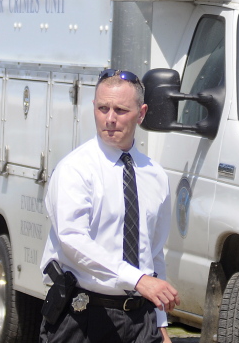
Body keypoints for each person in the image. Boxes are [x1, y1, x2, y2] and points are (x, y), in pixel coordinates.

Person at [40, 69, 180, 343]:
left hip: (141, 320)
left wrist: (161, 323)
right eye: (103, 108)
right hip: (84, 316)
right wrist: (137, 279)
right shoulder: (76, 170)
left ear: (141, 114)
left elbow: (153, 253)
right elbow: (73, 240)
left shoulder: (155, 175)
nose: (110, 119)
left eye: (121, 110)